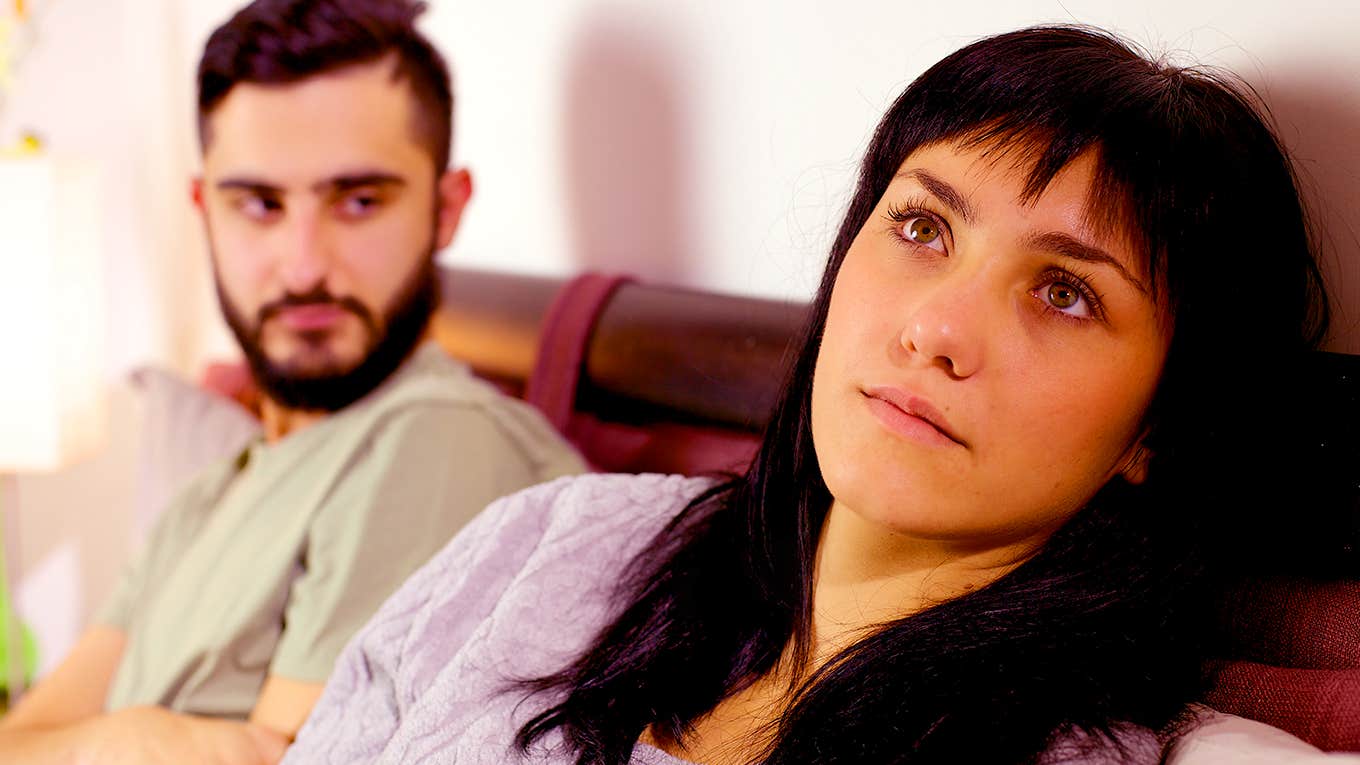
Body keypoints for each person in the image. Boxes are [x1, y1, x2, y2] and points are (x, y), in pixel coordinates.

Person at [283, 25, 1351, 765]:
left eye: (1063, 293)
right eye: (922, 227)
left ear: (1155, 426)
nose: (933, 328)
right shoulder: (548, 539)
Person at [0, 0, 585, 762]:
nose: (305, 264)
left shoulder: (431, 437)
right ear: (203, 209)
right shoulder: (208, 494)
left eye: (359, 200)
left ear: (445, 210)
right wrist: (131, 741)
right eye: (260, 204)